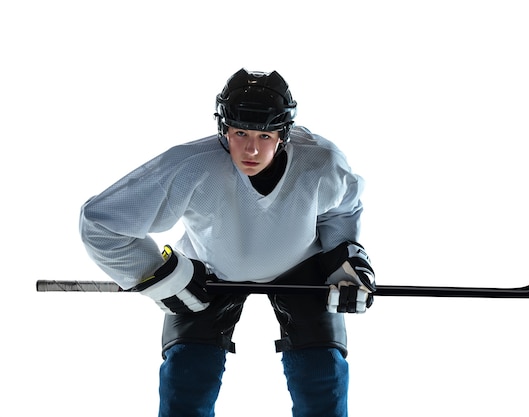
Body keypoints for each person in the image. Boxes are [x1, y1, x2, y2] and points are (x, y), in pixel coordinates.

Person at [79, 68, 375, 417]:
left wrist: (346, 262)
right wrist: (163, 277)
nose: (251, 148)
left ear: (284, 134)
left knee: (322, 378)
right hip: (208, 271)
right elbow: (99, 221)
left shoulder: (321, 162)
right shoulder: (190, 167)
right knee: (187, 384)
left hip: (302, 268)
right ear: (224, 129)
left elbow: (342, 210)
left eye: (265, 135)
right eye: (240, 133)